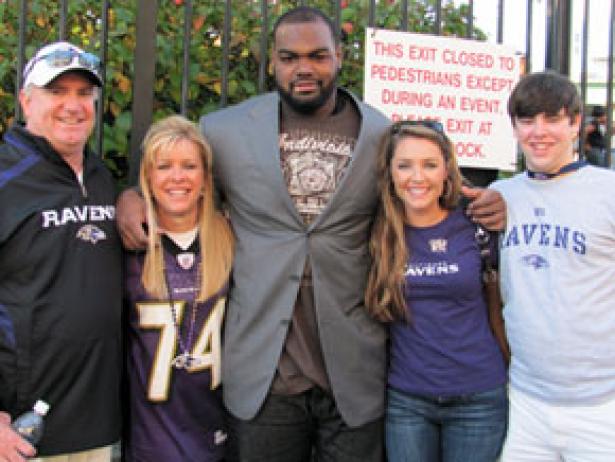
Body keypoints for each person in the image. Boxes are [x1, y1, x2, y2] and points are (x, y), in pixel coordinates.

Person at [117, 7, 506, 461]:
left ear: (339, 57)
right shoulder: (224, 131)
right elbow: (179, 175)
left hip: (352, 369)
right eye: (290, 57)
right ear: (272, 63)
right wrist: (131, 195)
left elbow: (421, 184)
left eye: (318, 56)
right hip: (265, 371)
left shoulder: (380, 132)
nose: (304, 68)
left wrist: (490, 200)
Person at [0, 42, 122, 461]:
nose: (73, 105)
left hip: (98, 426)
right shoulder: (5, 180)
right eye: (57, 91)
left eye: (84, 93)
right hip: (21, 434)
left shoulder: (101, 176)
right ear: (26, 100)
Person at [365, 120, 508, 462]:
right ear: (390, 172)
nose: (418, 177)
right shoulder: (376, 233)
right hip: (408, 400)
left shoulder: (477, 225)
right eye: (405, 165)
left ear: (447, 169)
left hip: (479, 398)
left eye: (430, 165)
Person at [492, 71, 615, 461]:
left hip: (602, 405)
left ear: (575, 123)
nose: (538, 132)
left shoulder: (607, 192)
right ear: (514, 127)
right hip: (527, 401)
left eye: (551, 119)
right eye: (527, 120)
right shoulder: (500, 197)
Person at [123, 115, 233, 461]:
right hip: (150, 437)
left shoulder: (231, 238)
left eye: (189, 166)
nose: (177, 177)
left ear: (205, 178)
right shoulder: (128, 244)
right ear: (148, 177)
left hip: (217, 432)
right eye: (164, 166)